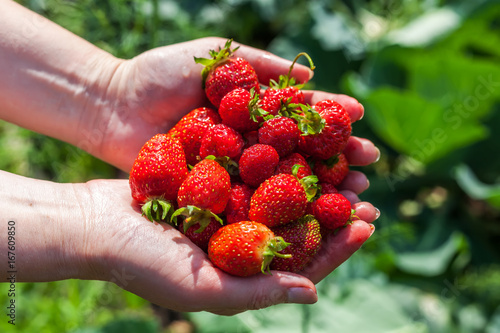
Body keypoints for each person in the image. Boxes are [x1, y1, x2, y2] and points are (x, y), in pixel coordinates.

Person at [0, 0, 380, 315]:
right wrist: (90, 227)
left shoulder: (255, 163)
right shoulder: (222, 157)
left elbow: (259, 162)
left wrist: (111, 92)